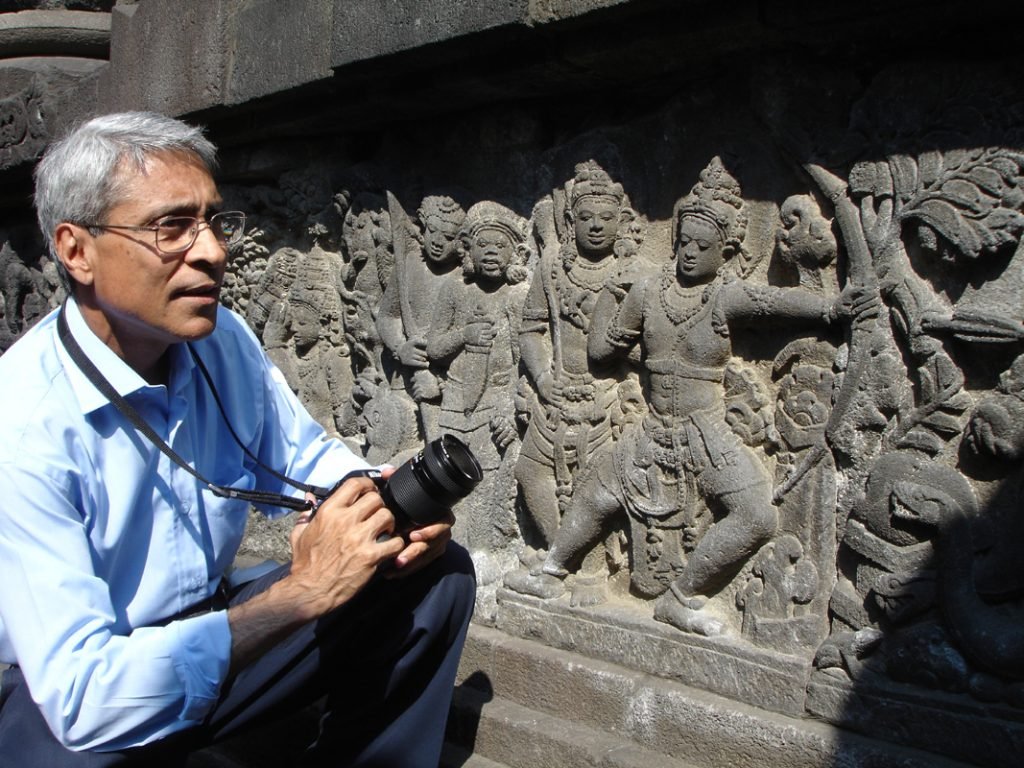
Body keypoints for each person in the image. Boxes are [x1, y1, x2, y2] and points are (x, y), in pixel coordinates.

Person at [0, 111, 475, 767]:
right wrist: (299, 597)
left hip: (210, 623)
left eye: (214, 222)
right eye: (171, 228)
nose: (212, 252)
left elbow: (309, 462)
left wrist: (381, 508)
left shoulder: (220, 339)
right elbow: (83, 698)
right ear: (76, 250)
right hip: (60, 691)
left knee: (433, 575)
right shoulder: (23, 425)